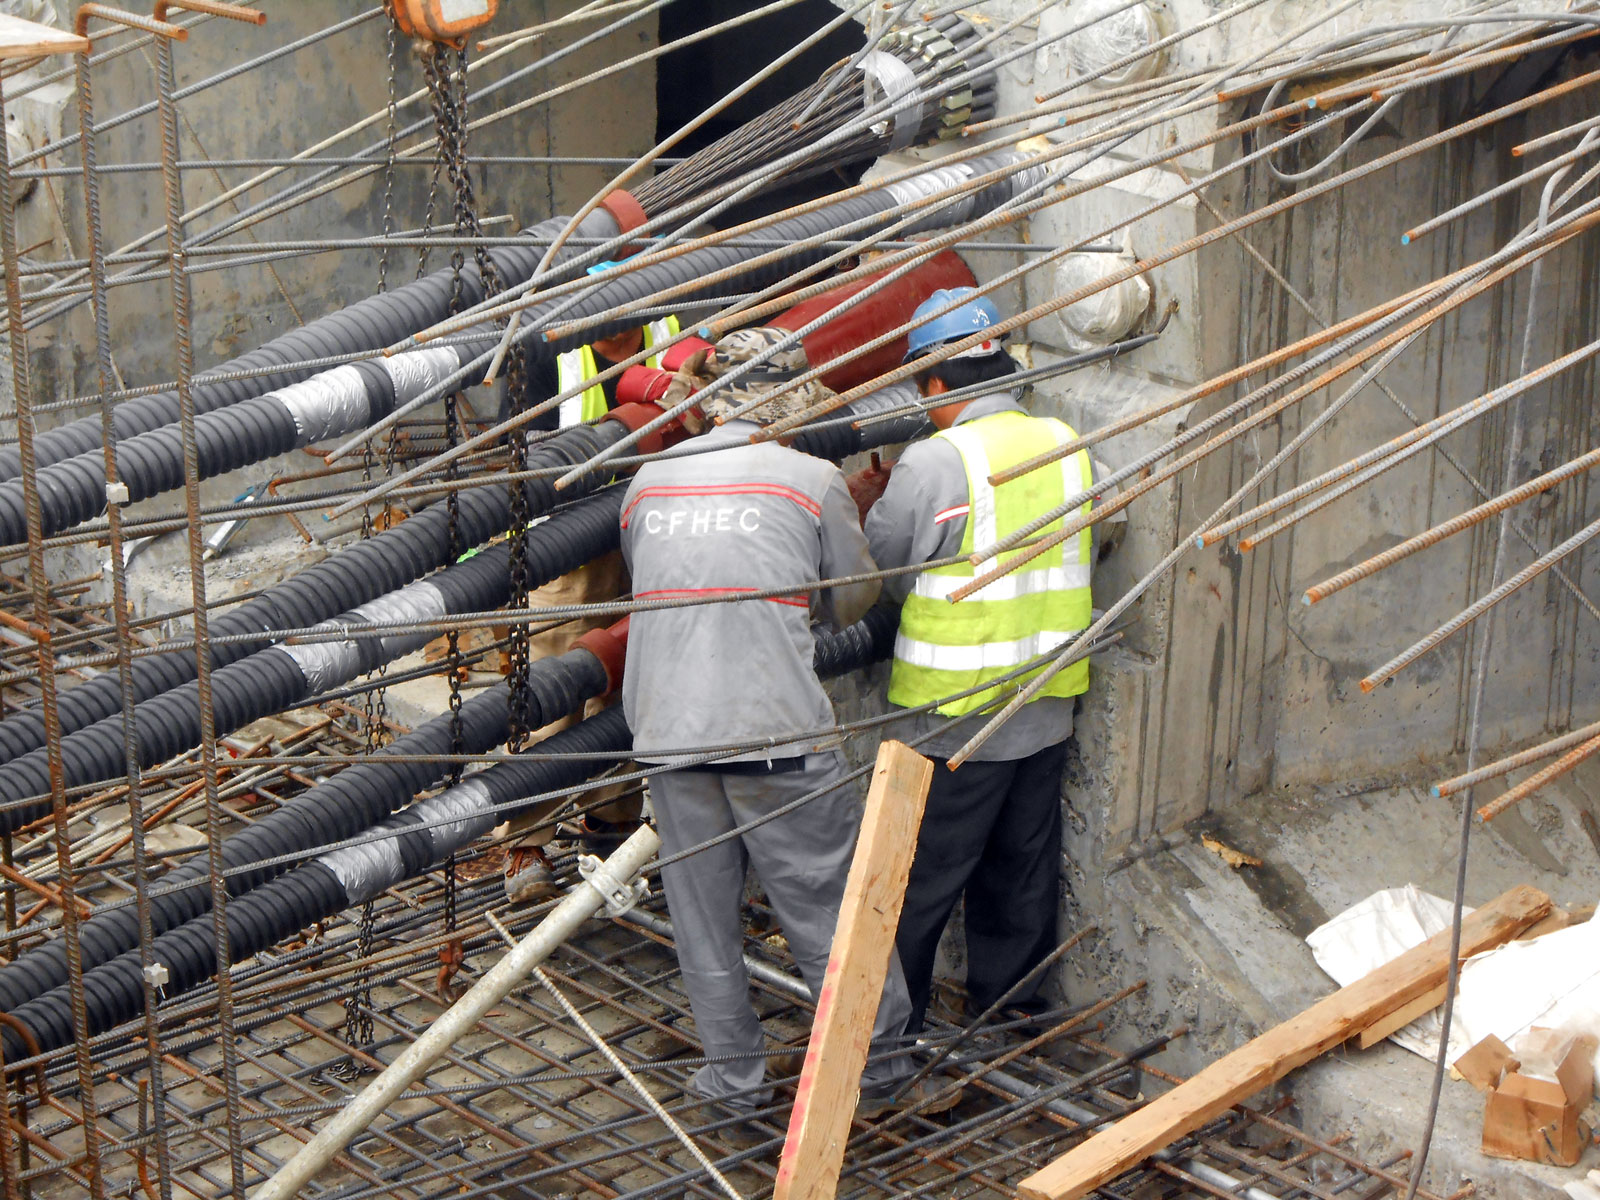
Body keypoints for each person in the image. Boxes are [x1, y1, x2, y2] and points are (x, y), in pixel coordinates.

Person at [619, 329, 948, 1133]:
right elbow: (854, 595)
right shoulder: (808, 478)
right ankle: (883, 1067)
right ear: (792, 401)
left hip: (666, 734)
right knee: (827, 908)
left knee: (701, 918)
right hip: (776, 734)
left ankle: (732, 1084)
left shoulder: (646, 484)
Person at [857, 288, 1100, 1033]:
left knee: (923, 877)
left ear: (935, 382)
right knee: (1020, 870)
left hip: (956, 714)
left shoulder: (938, 459)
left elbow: (882, 569)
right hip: (1046, 702)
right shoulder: (1067, 444)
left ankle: (891, 1027)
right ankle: (1010, 1013)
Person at [499, 316, 680, 901]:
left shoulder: (673, 331)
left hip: (649, 533)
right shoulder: (547, 353)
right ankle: (525, 840)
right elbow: (519, 457)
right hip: (566, 552)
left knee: (627, 681)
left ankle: (611, 825)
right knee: (555, 688)